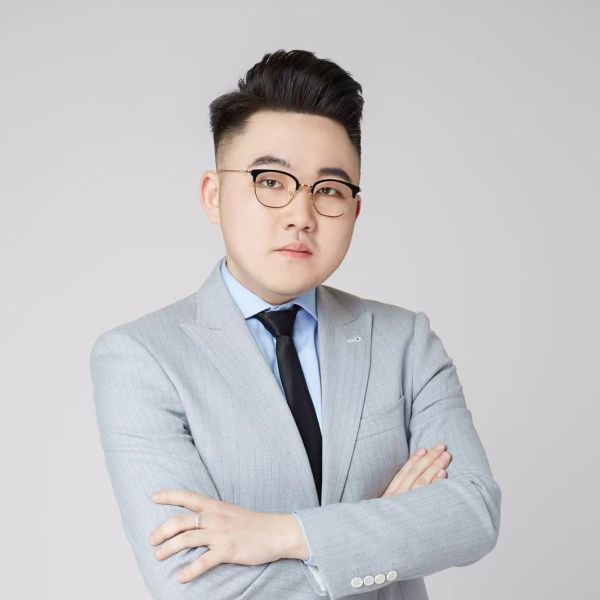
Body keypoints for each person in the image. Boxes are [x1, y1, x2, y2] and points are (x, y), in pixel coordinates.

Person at [90, 48, 501, 600]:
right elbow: (197, 587)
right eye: (271, 181)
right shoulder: (141, 357)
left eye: (328, 190)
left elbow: (472, 514)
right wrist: (385, 527)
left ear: (354, 210)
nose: (301, 216)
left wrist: (285, 535)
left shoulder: (405, 342)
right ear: (214, 195)